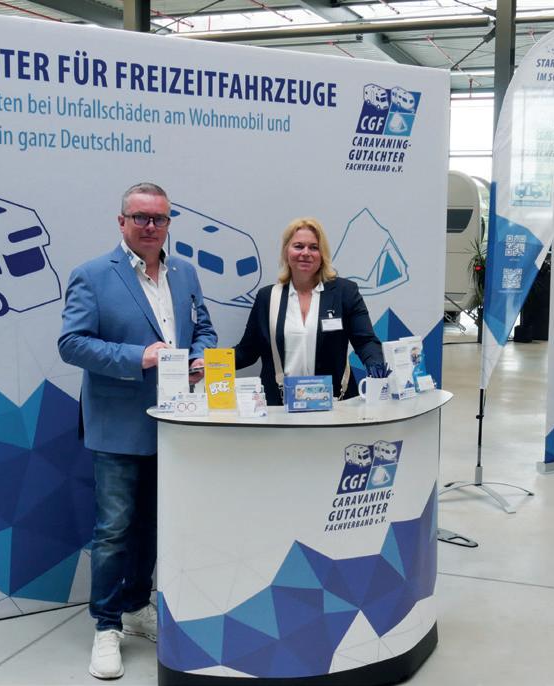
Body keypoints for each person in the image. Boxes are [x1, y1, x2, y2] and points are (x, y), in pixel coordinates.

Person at [58, 182, 217, 679]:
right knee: (113, 531)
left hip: (173, 421)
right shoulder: (91, 275)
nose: (151, 226)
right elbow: (71, 343)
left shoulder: (185, 273)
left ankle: (134, 605)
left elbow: (204, 329)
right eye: (141, 217)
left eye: (160, 218)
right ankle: (106, 626)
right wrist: (139, 357)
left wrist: (200, 358)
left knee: (151, 525)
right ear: (122, 221)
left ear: (169, 223)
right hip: (117, 426)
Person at [234, 217, 383, 405]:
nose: (306, 253)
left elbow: (365, 341)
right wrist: (210, 364)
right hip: (280, 408)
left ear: (322, 254)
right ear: (286, 252)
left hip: (336, 406)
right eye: (298, 246)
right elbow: (246, 352)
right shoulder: (267, 297)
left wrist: (377, 369)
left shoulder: (345, 292)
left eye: (313, 247)